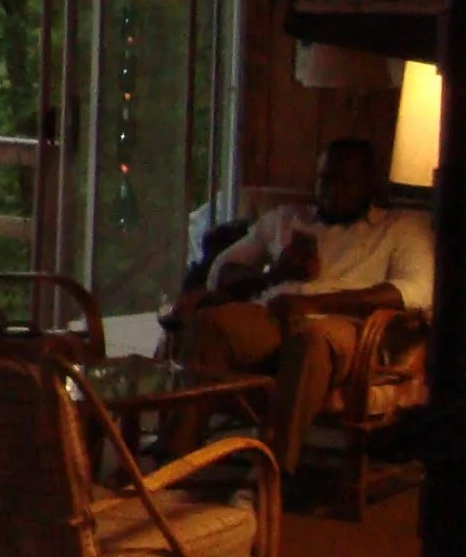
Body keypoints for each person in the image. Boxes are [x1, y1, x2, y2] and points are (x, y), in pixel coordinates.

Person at [184, 137, 435, 473]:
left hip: (343, 325)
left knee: (312, 339)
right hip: (275, 316)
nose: (333, 191)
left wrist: (315, 302)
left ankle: (271, 472)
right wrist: (276, 273)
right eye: (325, 180)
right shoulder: (288, 219)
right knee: (211, 323)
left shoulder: (402, 228)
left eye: (345, 182)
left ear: (370, 185)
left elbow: (416, 291)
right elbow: (220, 272)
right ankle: (176, 459)